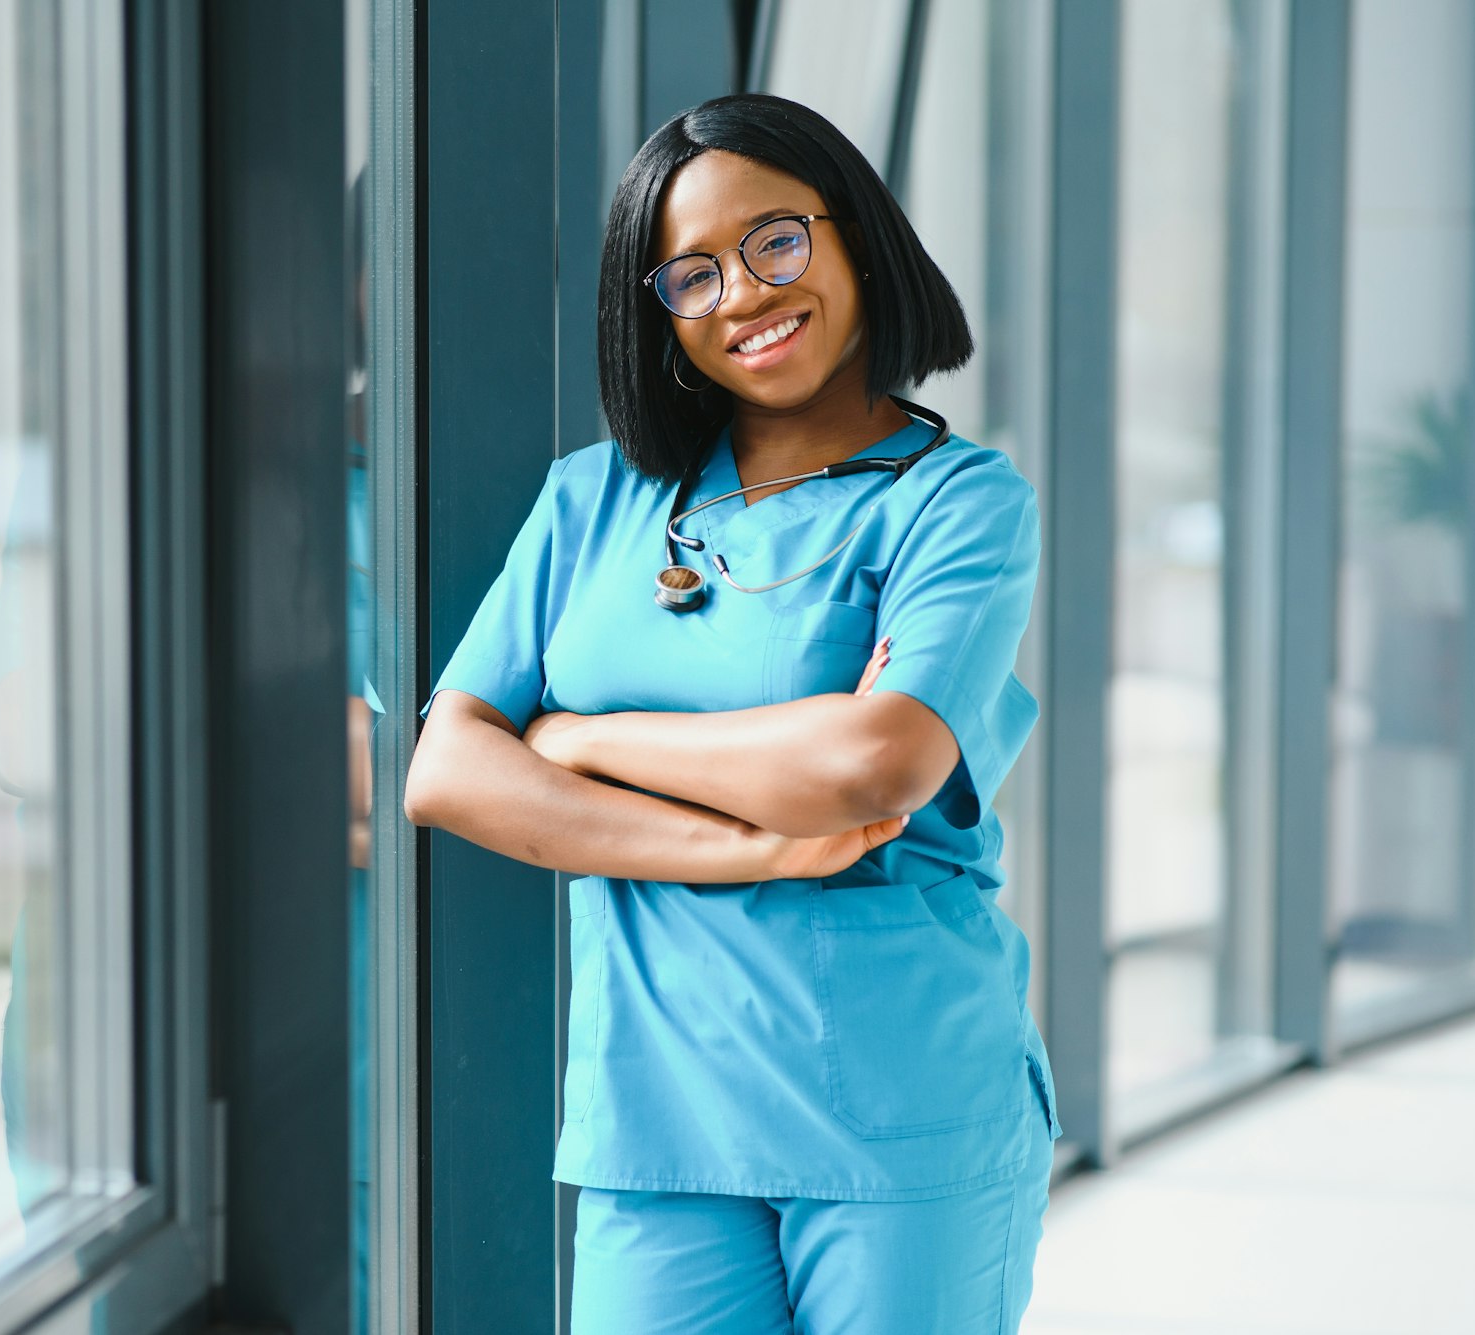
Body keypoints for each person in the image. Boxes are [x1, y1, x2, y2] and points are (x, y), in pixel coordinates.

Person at [403, 92, 1062, 1334]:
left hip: (901, 1112)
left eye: (774, 242)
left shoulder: (958, 505)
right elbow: (447, 771)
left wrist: (582, 740)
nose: (743, 296)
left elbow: (876, 762)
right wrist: (746, 843)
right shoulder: (591, 503)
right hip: (657, 1123)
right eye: (688, 276)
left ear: (853, 231)